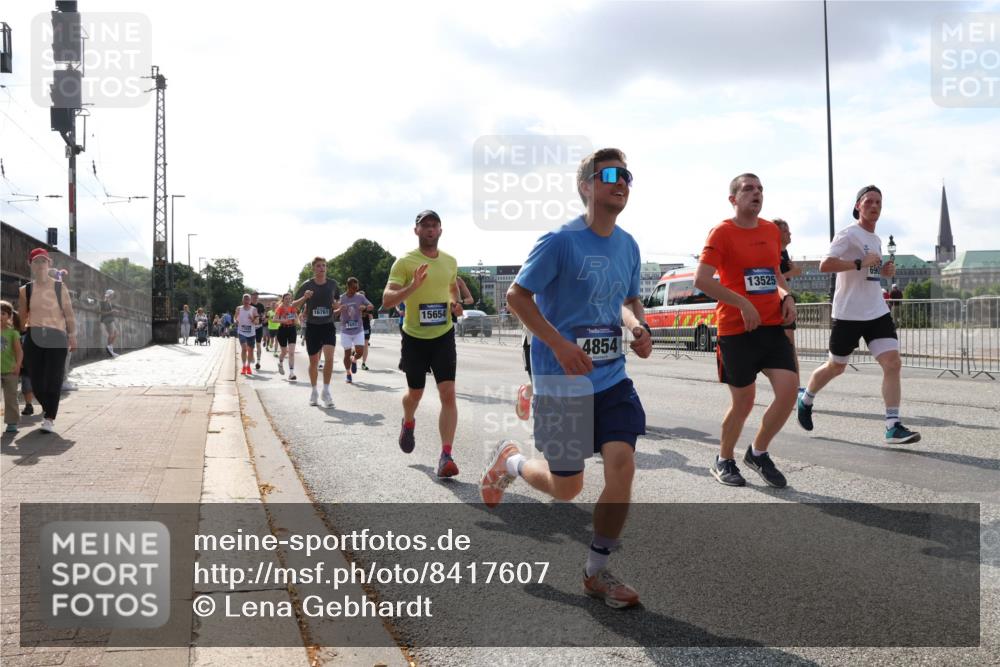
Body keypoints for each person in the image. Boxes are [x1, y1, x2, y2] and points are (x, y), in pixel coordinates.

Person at [480, 148, 654, 609]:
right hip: (561, 379)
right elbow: (518, 297)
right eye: (611, 174)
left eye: (627, 176)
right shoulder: (559, 241)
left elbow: (626, 300)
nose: (622, 182)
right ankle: (511, 462)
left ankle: (596, 573)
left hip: (612, 376)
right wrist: (559, 344)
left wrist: (637, 327)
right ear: (586, 186)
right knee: (567, 488)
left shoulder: (629, 245)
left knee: (623, 465)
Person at [694, 173, 798, 488]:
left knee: (789, 390)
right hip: (736, 331)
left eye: (760, 189)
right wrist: (742, 302)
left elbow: (774, 274)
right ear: (733, 199)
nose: (756, 193)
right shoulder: (722, 232)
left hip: (770, 326)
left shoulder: (770, 231)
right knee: (744, 402)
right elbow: (702, 280)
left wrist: (787, 295)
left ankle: (758, 452)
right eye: (748, 189)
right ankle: (724, 459)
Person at [797, 185, 920, 445]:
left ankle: (892, 425)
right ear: (858, 206)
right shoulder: (848, 234)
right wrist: (857, 263)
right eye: (868, 202)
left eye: (878, 202)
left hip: (876, 311)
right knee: (836, 367)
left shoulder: (875, 239)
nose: (874, 206)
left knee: (892, 362)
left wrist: (883, 271)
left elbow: (869, 274)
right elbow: (825, 264)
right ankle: (806, 397)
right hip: (849, 313)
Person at [382, 210, 462, 478]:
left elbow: (451, 287)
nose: (429, 229)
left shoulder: (450, 261)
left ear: (440, 230)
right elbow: (387, 300)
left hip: (443, 335)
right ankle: (408, 422)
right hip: (414, 337)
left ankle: (446, 455)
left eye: (434, 225)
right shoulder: (404, 263)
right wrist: (412, 287)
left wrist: (454, 302)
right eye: (424, 226)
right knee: (415, 394)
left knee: (448, 393)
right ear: (416, 231)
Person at [17, 248, 77, 434]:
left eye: (43, 261)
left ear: (49, 263)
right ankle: (48, 405)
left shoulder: (59, 287)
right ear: (31, 265)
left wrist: (72, 335)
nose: (40, 264)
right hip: (34, 336)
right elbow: (22, 316)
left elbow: (68, 313)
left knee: (53, 377)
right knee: (35, 379)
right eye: (36, 261)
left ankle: (49, 417)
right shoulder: (25, 290)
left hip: (56, 336)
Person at [293, 257, 341, 407]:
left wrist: (336, 305)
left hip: (327, 326)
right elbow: (294, 306)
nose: (322, 268)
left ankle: (326, 391)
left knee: (329, 358)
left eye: (324, 266)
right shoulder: (307, 285)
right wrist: (304, 297)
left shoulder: (333, 284)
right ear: (313, 268)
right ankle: (314, 391)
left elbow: (336, 303)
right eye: (319, 266)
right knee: (314, 361)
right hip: (312, 327)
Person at [773, 218, 802, 381]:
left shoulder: (783, 252)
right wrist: (793, 272)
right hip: (777, 303)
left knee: (790, 347)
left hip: (785, 301)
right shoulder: (774, 251)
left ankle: (795, 386)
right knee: (788, 347)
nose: (789, 233)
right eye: (785, 230)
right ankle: (793, 386)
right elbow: (773, 278)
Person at [337, 278, 373, 384]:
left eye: (356, 287)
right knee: (346, 353)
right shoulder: (342, 298)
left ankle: (354, 359)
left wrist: (365, 308)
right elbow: (334, 310)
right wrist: (339, 309)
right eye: (353, 287)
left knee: (360, 352)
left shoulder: (360, 297)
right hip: (345, 331)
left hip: (358, 329)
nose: (355, 290)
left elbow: (371, 306)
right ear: (348, 287)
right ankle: (348, 374)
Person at [2, 301, 24, 434]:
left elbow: (19, 351)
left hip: (10, 370)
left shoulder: (13, 333)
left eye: (3, 313)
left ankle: (12, 422)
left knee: (10, 397)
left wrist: (18, 365)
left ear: (9, 316)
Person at [275, 293, 299, 381]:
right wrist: (283, 320)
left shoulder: (293, 307)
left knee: (291, 353)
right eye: (286, 299)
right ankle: (280, 363)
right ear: (283, 299)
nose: (288, 300)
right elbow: (274, 319)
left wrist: (297, 320)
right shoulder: (280, 308)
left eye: (290, 298)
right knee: (284, 352)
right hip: (282, 330)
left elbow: (296, 318)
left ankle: (291, 373)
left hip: (292, 330)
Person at [235, 294, 259, 376]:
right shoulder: (239, 308)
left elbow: (257, 322)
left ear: (250, 301)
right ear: (242, 300)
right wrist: (236, 320)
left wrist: (252, 319)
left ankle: (248, 366)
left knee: (250, 350)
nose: (246, 301)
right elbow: (235, 318)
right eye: (245, 299)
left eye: (248, 299)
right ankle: (244, 366)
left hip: (251, 333)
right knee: (244, 348)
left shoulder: (254, 309)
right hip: (241, 331)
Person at [100, 289, 120, 357]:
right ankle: (109, 349)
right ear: (109, 295)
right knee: (111, 334)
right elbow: (102, 313)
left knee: (116, 333)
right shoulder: (104, 302)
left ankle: (110, 348)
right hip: (107, 320)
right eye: (112, 295)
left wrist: (114, 311)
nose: (113, 296)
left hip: (111, 319)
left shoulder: (109, 302)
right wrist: (112, 311)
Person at [250, 292, 266, 370]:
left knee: (258, 344)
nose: (255, 298)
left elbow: (263, 315)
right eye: (253, 297)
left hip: (259, 327)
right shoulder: (249, 305)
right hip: (250, 327)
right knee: (251, 345)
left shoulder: (261, 306)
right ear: (251, 297)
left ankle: (258, 362)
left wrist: (263, 317)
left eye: (256, 297)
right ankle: (251, 357)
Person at [359, 291, 372, 371]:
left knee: (365, 345)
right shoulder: (355, 305)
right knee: (358, 345)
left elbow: (371, 317)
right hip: (356, 327)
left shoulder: (368, 306)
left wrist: (368, 314)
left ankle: (363, 363)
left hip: (366, 326)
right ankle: (354, 353)